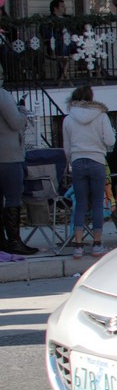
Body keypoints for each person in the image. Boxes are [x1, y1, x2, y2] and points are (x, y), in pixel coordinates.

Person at [62, 85, 115, 258]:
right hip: (97, 160)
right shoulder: (101, 116)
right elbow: (109, 140)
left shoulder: (68, 119)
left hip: (77, 161)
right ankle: (97, 244)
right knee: (98, 203)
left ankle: (78, 245)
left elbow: (67, 148)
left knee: (81, 204)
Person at [0, 68, 37, 256]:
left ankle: (2, 241)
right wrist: (22, 112)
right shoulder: (2, 95)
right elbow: (15, 123)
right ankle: (14, 241)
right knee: (13, 197)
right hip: (8, 156)